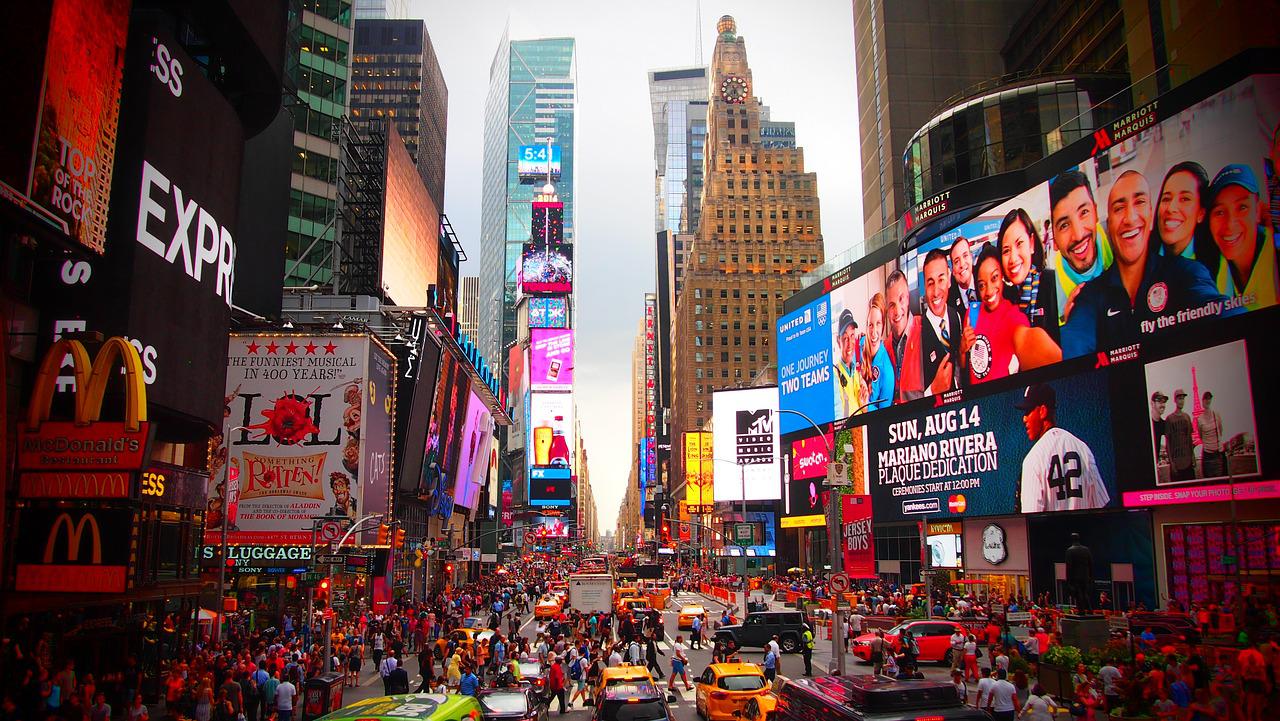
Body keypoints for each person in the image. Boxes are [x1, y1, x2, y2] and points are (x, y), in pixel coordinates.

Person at [1060, 170, 1237, 357]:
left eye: (1140, 202)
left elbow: (1218, 310)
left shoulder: (1187, 273)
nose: (1130, 218)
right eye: (1119, 208)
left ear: (1151, 212)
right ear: (1108, 223)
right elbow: (1074, 341)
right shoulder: (1091, 295)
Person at [959, 245, 1061, 384]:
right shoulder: (972, 313)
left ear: (1002, 277)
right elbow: (965, 369)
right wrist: (962, 349)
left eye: (994, 278)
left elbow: (1027, 339)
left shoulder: (1013, 316)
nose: (988, 291)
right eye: (982, 285)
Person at [1016, 383, 1111, 512]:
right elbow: (1101, 506)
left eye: (1028, 411)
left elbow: (1030, 519)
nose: (1024, 418)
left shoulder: (1033, 459)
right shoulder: (1083, 449)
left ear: (1042, 411)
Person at [1207, 163, 1276, 311]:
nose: (1230, 224)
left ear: (1257, 210)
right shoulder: (1210, 269)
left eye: (1242, 207)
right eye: (1219, 212)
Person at [1049, 169, 1113, 323]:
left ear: (1096, 212)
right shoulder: (1052, 290)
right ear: (1054, 241)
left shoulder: (1117, 238)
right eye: (1064, 225)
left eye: (1084, 212)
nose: (1078, 235)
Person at [999, 208, 1060, 341]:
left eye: (1019, 244)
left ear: (1031, 244)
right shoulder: (1007, 297)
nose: (1013, 259)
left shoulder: (1052, 283)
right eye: (1006, 250)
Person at [1156, 162, 1219, 270]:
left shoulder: (1216, 264)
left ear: (1201, 213)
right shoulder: (1142, 255)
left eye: (1185, 199)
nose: (1171, 208)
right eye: (1166, 198)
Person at [884, 269, 924, 402]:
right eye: (891, 305)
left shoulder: (925, 330)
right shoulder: (883, 348)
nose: (897, 311)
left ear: (908, 298)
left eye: (901, 299)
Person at [859, 293, 895, 410]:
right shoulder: (858, 345)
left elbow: (884, 418)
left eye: (878, 324)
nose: (874, 332)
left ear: (883, 325)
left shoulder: (887, 372)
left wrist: (865, 407)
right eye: (870, 325)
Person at [834, 309, 867, 418]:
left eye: (852, 336)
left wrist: (865, 407)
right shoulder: (834, 375)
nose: (850, 344)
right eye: (845, 338)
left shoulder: (857, 376)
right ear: (838, 341)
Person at [1165, 389, 1196, 481]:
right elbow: (1168, 443)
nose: (1181, 401)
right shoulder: (1169, 419)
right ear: (1175, 400)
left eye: (1183, 399)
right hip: (1176, 462)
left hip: (1188, 461)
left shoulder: (1187, 417)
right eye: (1179, 398)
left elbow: (1190, 439)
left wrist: (1193, 457)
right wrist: (1171, 463)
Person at [1197, 391, 1227, 477]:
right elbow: (1200, 436)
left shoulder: (1216, 414)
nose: (1207, 400)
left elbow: (1220, 431)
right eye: (1205, 398)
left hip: (1218, 453)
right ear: (1202, 401)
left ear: (1211, 400)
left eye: (1209, 398)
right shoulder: (1200, 419)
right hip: (1207, 454)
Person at [948, 236, 980, 314]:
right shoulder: (949, 302)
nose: (962, 264)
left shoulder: (985, 278)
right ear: (953, 271)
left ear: (971, 257)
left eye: (965, 256)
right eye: (957, 261)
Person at [1150, 391, 1169, 462]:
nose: (1163, 405)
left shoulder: (1163, 424)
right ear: (1152, 403)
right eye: (1160, 402)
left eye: (1164, 402)